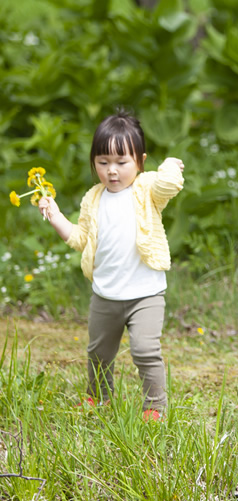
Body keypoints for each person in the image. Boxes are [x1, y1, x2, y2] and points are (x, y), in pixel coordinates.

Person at [37, 109, 185, 421]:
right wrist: (55, 215)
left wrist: (171, 165)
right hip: (105, 295)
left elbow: (169, 186)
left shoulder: (146, 190)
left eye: (122, 162)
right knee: (98, 354)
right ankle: (99, 398)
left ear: (140, 162)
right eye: (103, 163)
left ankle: (154, 406)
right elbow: (79, 238)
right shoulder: (94, 198)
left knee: (145, 350)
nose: (112, 171)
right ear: (94, 163)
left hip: (146, 294)